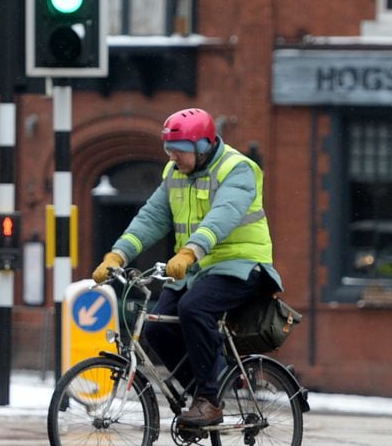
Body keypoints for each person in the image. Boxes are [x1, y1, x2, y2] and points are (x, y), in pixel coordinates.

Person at [91, 108, 283, 427]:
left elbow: (223, 214)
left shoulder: (238, 169)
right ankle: (205, 393)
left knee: (194, 309)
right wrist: (117, 255)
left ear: (203, 145)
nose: (172, 157)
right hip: (197, 270)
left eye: (179, 150)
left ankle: (209, 400)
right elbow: (151, 218)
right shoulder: (175, 175)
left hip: (241, 266)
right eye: (169, 149)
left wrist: (191, 251)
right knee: (156, 326)